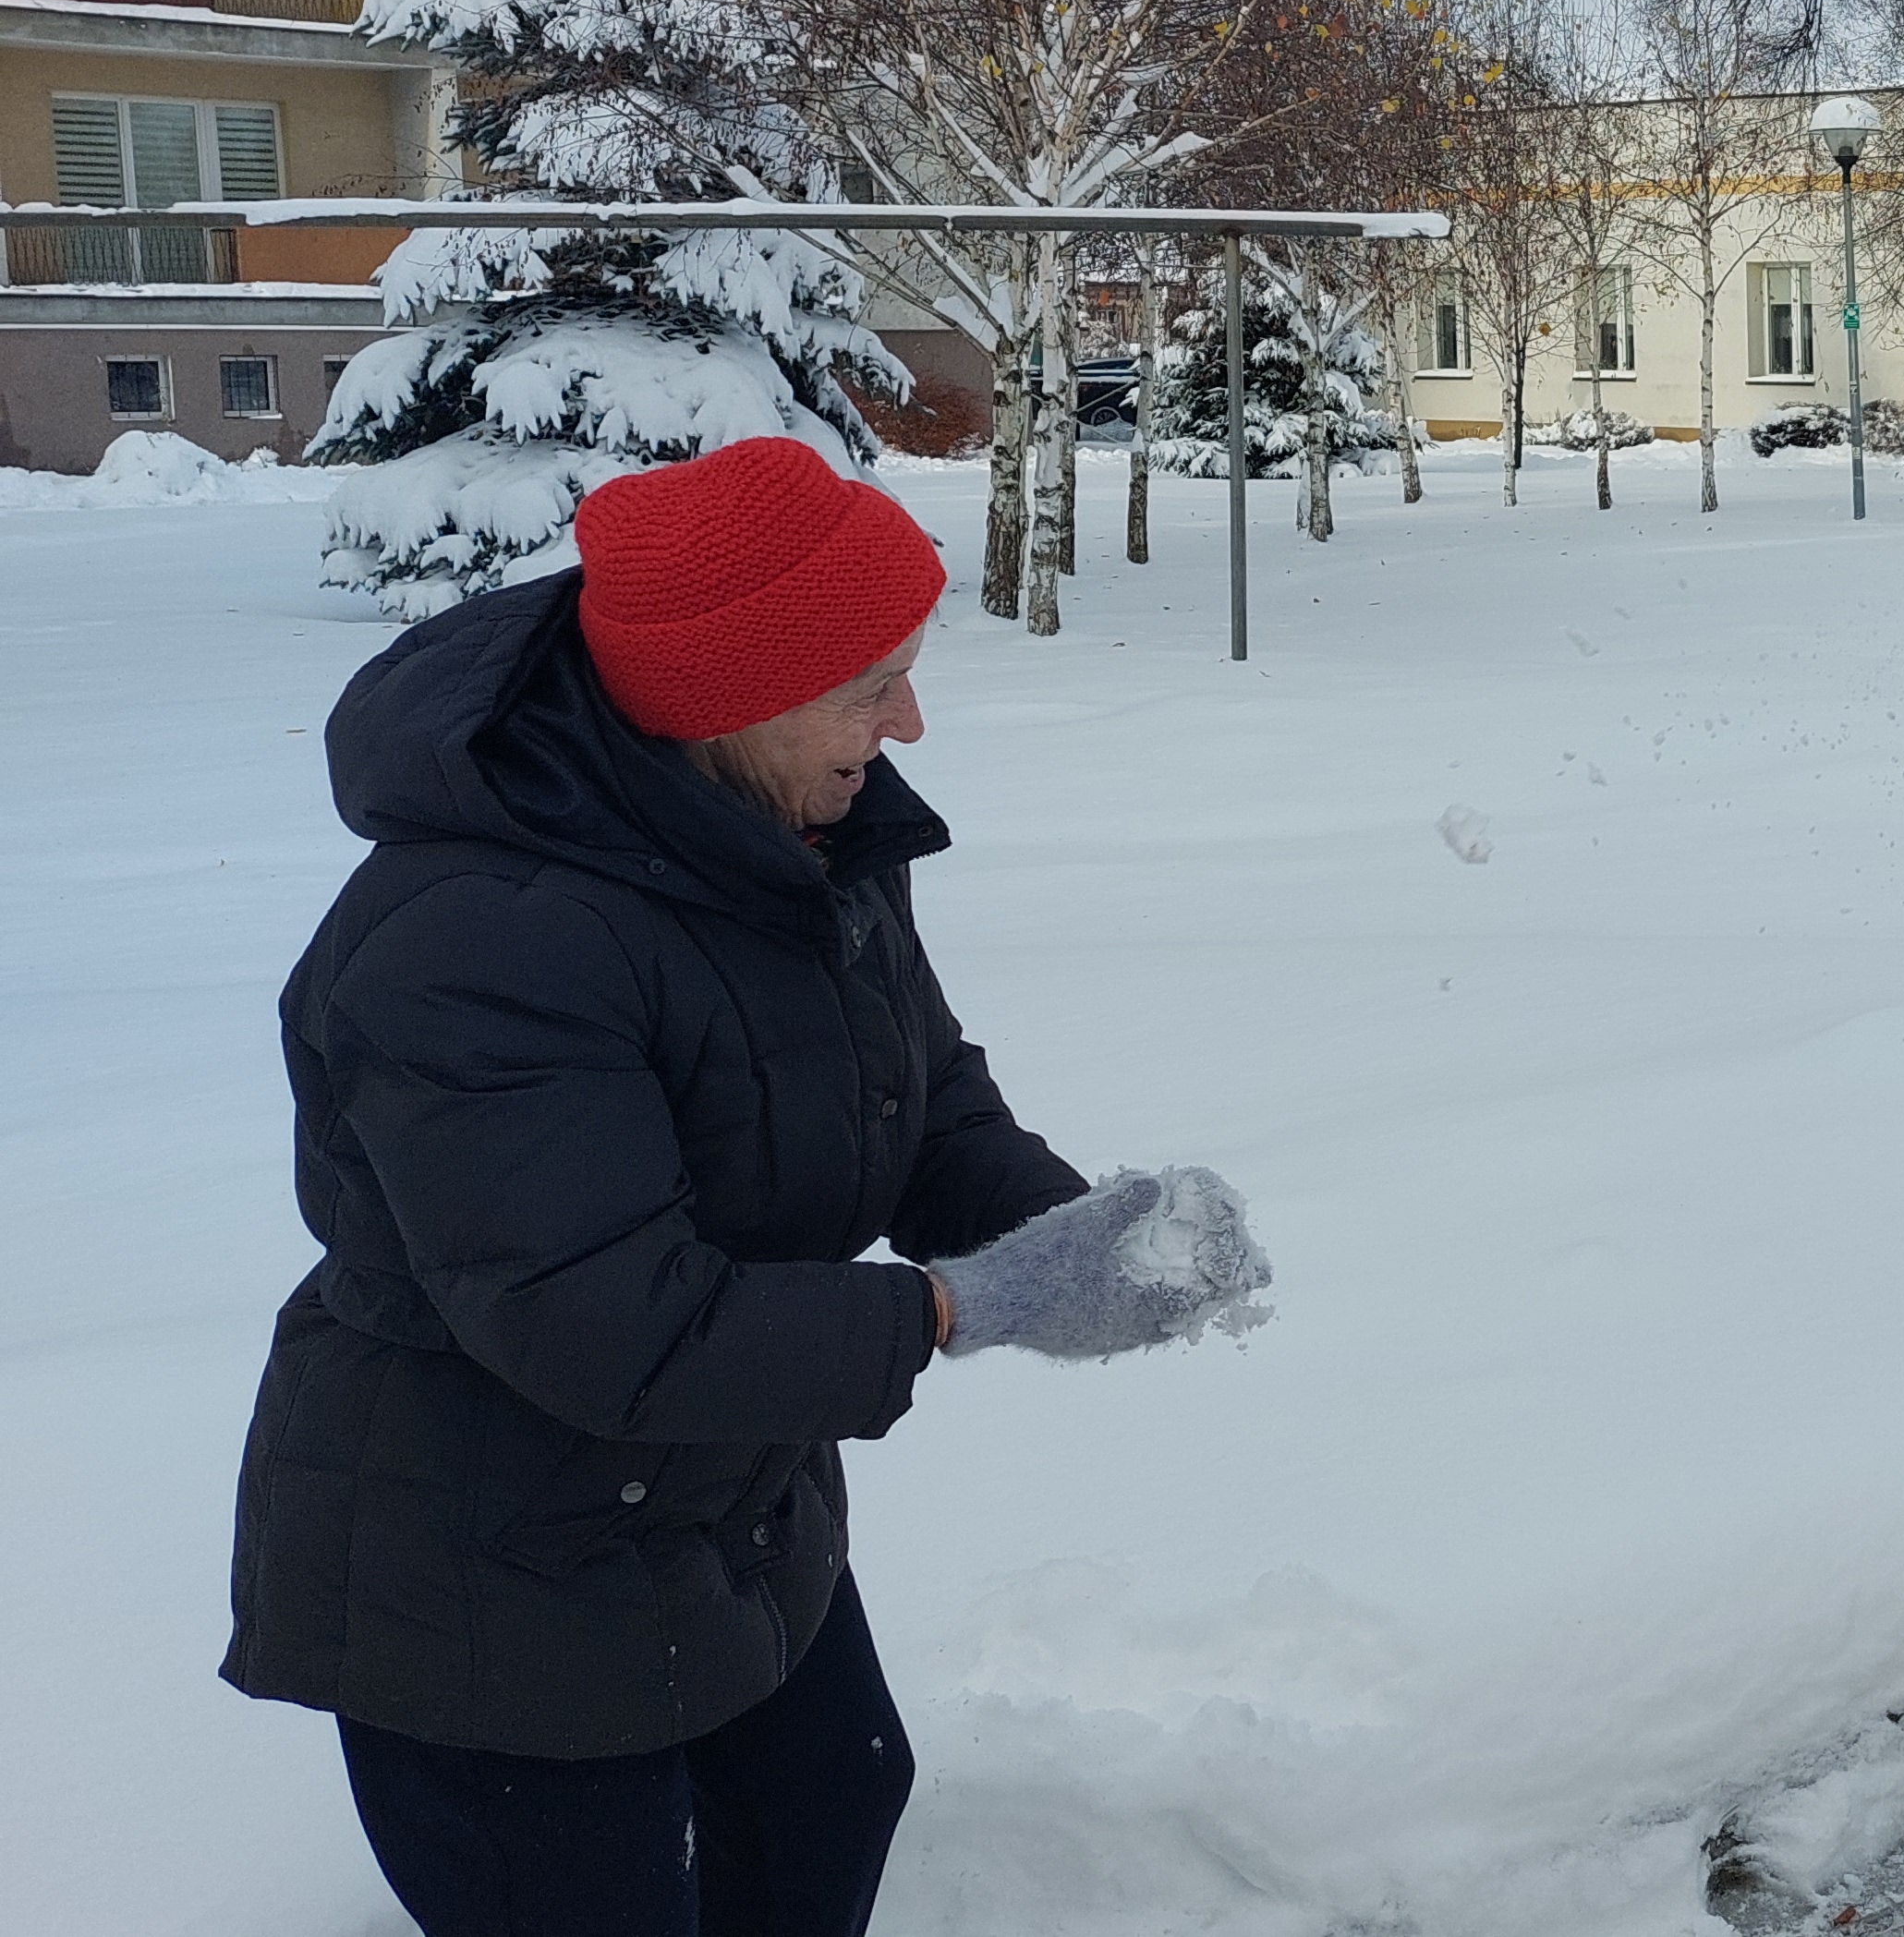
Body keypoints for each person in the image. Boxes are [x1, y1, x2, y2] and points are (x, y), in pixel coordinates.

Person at [222, 437, 1273, 1936]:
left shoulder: (804, 829)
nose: (909, 717)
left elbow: (916, 1095)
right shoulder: (480, 941)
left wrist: (1079, 1239)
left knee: (834, 1796)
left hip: (723, 1495)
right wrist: (962, 1309)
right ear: (728, 697)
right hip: (484, 1561)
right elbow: (612, 1331)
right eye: (869, 685)